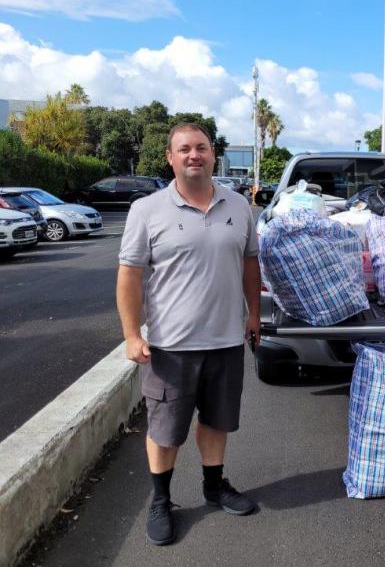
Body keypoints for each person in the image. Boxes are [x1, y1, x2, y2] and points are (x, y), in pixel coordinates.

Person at [116, 122, 261, 545]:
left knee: (217, 421)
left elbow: (250, 262)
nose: (194, 155)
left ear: (214, 154)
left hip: (226, 342)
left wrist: (253, 315)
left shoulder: (238, 206)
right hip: (170, 346)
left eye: (201, 147)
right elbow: (129, 275)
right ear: (171, 157)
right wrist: (130, 334)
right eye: (185, 149)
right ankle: (161, 500)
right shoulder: (147, 210)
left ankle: (214, 488)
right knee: (165, 429)